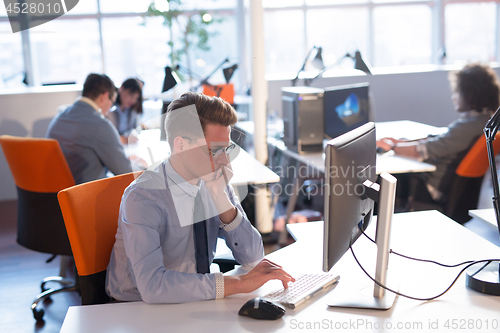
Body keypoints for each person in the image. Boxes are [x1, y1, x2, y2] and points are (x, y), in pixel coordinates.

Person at [106, 92, 294, 303]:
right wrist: (239, 283)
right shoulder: (143, 198)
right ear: (181, 145)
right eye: (214, 151)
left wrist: (221, 198)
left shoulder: (213, 180)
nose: (224, 160)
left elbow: (253, 256)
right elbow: (152, 286)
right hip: (136, 308)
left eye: (227, 149)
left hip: (193, 297)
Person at [377, 63, 500, 202]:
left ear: (470, 95)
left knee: (380, 180)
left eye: (457, 92)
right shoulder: (483, 122)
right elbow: (440, 139)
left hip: (432, 190)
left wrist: (391, 147)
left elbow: (424, 150)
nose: (453, 97)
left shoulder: (467, 128)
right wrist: (400, 142)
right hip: (453, 190)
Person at [47, 73, 133, 184]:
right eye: (112, 102)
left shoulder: (60, 117)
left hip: (56, 192)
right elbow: (126, 173)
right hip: (85, 195)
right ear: (104, 97)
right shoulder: (101, 125)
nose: (111, 107)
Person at [106, 78, 143, 142]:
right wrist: (123, 139)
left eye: (135, 98)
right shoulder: (109, 109)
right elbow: (109, 135)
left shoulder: (132, 111)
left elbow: (137, 130)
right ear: (121, 89)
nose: (133, 100)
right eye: (131, 95)